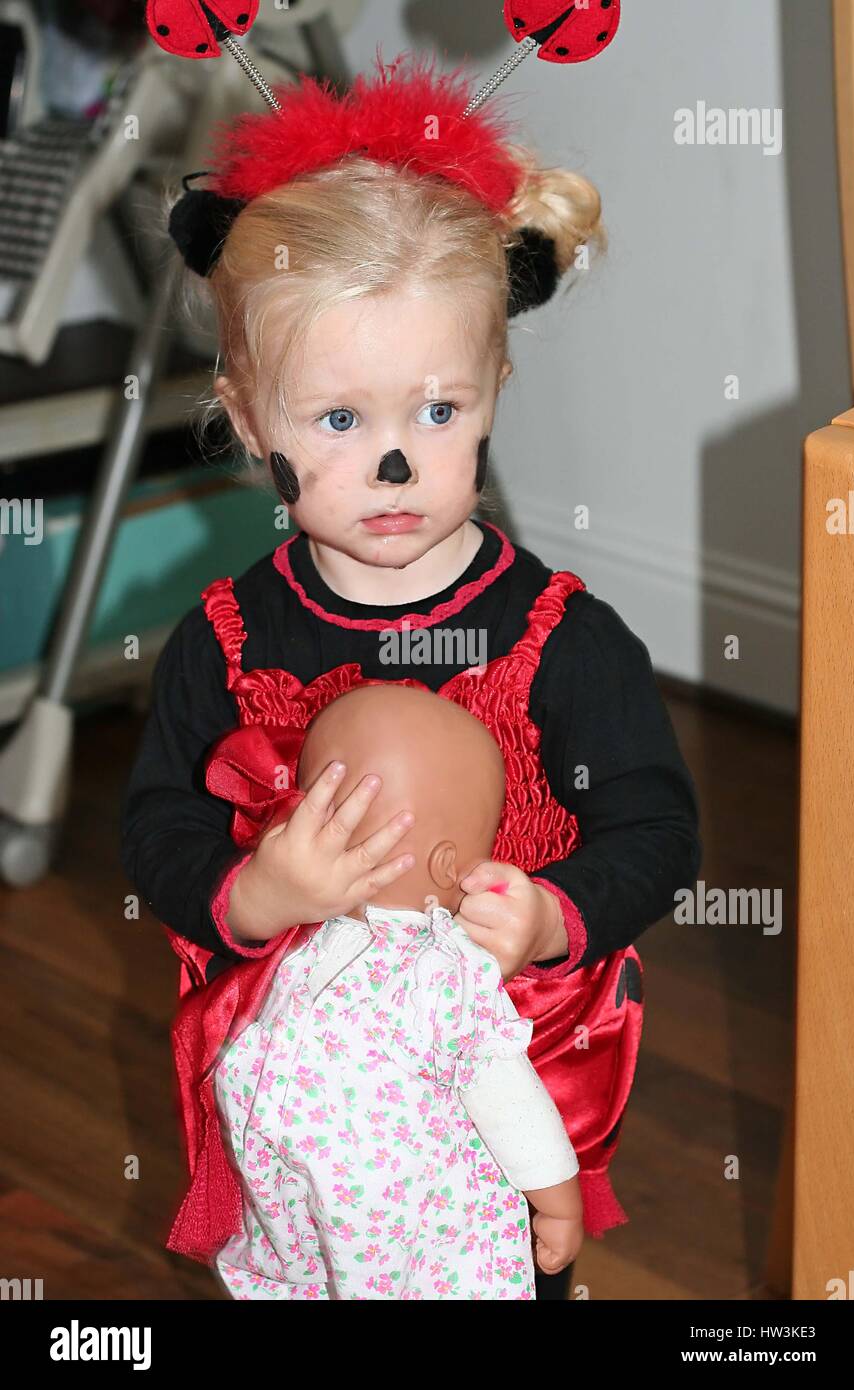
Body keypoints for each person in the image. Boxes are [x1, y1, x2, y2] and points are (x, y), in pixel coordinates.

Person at [120, 52, 702, 1301]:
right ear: (250, 416)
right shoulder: (222, 641)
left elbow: (654, 824)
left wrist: (554, 915)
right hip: (296, 1099)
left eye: (434, 412)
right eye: (339, 421)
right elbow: (157, 824)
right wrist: (254, 891)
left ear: (493, 387)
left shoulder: (560, 638)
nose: (393, 462)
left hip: (500, 1078)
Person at [212, 683, 583, 1300]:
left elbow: (501, 1087)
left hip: (347, 1229)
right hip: (354, 1224)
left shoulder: (380, 962)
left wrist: (556, 1198)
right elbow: (506, 1097)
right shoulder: (380, 954)